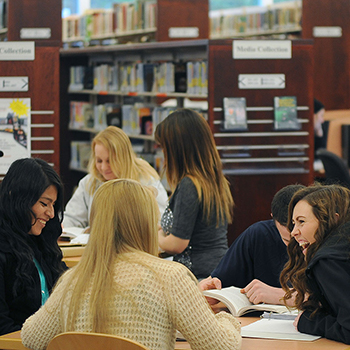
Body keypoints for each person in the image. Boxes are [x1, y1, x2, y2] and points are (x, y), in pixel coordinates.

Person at [21, 179, 241, 350]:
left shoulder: (73, 280)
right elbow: (219, 345)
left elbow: (31, 337)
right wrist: (227, 318)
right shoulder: (170, 277)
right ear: (144, 222)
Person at [154, 109, 234, 280]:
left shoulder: (189, 185)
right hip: (213, 270)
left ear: (176, 149)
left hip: (197, 275)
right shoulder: (212, 181)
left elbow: (177, 244)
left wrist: (156, 236)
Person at [199, 184, 304, 305]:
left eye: (301, 239)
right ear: (273, 218)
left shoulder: (325, 239)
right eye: (287, 240)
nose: (297, 245)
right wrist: (210, 292)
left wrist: (278, 295)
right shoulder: (259, 234)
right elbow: (219, 282)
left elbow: (324, 298)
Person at [0, 158, 67, 336]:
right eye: (44, 204)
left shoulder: (40, 242)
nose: (51, 214)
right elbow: (2, 327)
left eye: (53, 205)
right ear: (19, 199)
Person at [280, 183, 350, 344]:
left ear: (333, 219)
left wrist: (310, 322)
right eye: (293, 223)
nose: (293, 232)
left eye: (301, 222)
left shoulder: (328, 260)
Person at [62, 125, 168, 228]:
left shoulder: (146, 180)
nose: (103, 167)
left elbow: (160, 223)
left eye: (110, 161)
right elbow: (71, 219)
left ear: (123, 158)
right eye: (99, 161)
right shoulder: (89, 182)